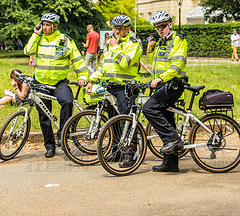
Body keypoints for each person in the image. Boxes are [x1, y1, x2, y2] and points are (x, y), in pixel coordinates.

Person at [24, 13, 88, 158]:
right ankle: (49, 146)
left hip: (59, 83)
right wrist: (35, 34)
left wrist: (83, 77)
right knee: (44, 116)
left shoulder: (65, 40)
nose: (45, 27)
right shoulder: (39, 40)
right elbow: (28, 51)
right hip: (41, 83)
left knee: (67, 101)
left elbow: (77, 60)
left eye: (47, 25)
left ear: (55, 26)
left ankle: (63, 136)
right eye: (43, 24)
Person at [86, 15, 143, 168]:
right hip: (111, 87)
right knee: (114, 121)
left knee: (127, 121)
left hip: (126, 87)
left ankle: (130, 154)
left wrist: (115, 46)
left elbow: (125, 64)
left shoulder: (133, 44)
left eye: (121, 29)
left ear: (128, 29)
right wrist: (92, 80)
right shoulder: (111, 44)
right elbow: (103, 65)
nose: (117, 31)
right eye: (115, 28)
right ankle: (117, 151)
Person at [142, 11, 188, 173]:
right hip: (162, 85)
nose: (160, 30)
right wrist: (149, 50)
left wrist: (160, 79)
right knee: (168, 121)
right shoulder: (162, 41)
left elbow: (176, 66)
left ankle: (174, 139)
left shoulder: (178, 40)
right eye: (157, 27)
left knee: (148, 108)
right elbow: (156, 63)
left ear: (170, 24)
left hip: (173, 85)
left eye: (162, 26)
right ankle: (170, 163)